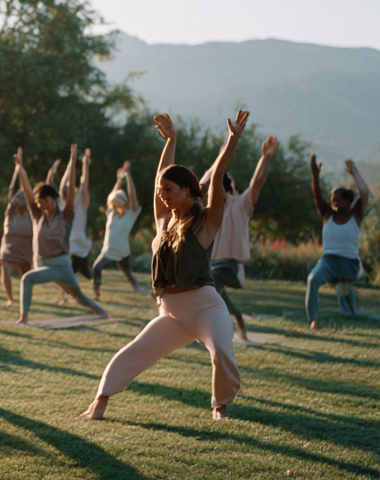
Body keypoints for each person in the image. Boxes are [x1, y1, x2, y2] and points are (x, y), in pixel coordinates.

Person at [82, 112, 248, 422]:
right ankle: (99, 404)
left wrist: (233, 139)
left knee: (222, 352)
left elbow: (218, 176)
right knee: (133, 353)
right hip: (170, 313)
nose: (162, 195)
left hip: (205, 307)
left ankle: (219, 407)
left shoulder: (205, 222)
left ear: (187, 189)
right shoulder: (163, 219)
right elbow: (161, 174)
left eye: (169, 190)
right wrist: (171, 140)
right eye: (161, 191)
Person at [14, 143, 109, 324]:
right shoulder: (37, 215)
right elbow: (27, 190)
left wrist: (72, 161)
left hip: (60, 265)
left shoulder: (66, 216)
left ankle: (24, 318)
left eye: (45, 201)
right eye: (39, 202)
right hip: (41, 262)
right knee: (77, 295)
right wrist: (20, 168)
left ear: (54, 198)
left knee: (30, 280)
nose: (42, 205)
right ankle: (101, 311)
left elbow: (71, 188)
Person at [204, 136, 278, 340]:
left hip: (231, 267)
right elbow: (203, 183)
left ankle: (203, 330)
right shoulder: (211, 209)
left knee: (209, 288)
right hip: (212, 266)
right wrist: (221, 157)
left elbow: (257, 183)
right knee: (213, 291)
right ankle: (239, 321)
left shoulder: (241, 204)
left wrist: (265, 159)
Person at [306, 155, 371, 329]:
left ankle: (350, 304)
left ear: (348, 201)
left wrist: (355, 172)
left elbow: (364, 193)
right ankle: (313, 319)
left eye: (337, 199)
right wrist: (315, 175)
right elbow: (317, 196)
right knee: (312, 280)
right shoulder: (327, 214)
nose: (333, 201)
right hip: (328, 261)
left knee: (347, 300)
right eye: (332, 199)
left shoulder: (356, 215)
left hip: (349, 263)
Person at [91, 162, 142, 300]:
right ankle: (96, 294)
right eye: (114, 202)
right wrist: (119, 179)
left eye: (117, 201)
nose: (115, 204)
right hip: (108, 250)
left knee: (128, 273)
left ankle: (137, 287)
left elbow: (133, 195)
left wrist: (129, 176)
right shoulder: (112, 213)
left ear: (124, 202)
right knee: (97, 267)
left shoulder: (131, 213)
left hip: (123, 250)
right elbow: (111, 196)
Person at [0, 168, 32, 306]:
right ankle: (10, 298)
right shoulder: (11, 213)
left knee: (27, 277)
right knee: (5, 269)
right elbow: (11, 191)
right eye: (20, 197)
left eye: (25, 197)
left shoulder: (31, 216)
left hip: (25, 251)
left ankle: (26, 298)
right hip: (9, 248)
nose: (22, 199)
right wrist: (17, 171)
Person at [68, 148, 93, 280]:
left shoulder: (82, 201)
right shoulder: (66, 201)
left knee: (76, 267)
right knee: (69, 267)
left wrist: (85, 164)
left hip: (79, 237)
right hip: (70, 238)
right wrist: (72, 160)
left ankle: (84, 271)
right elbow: (68, 181)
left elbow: (85, 182)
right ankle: (65, 294)